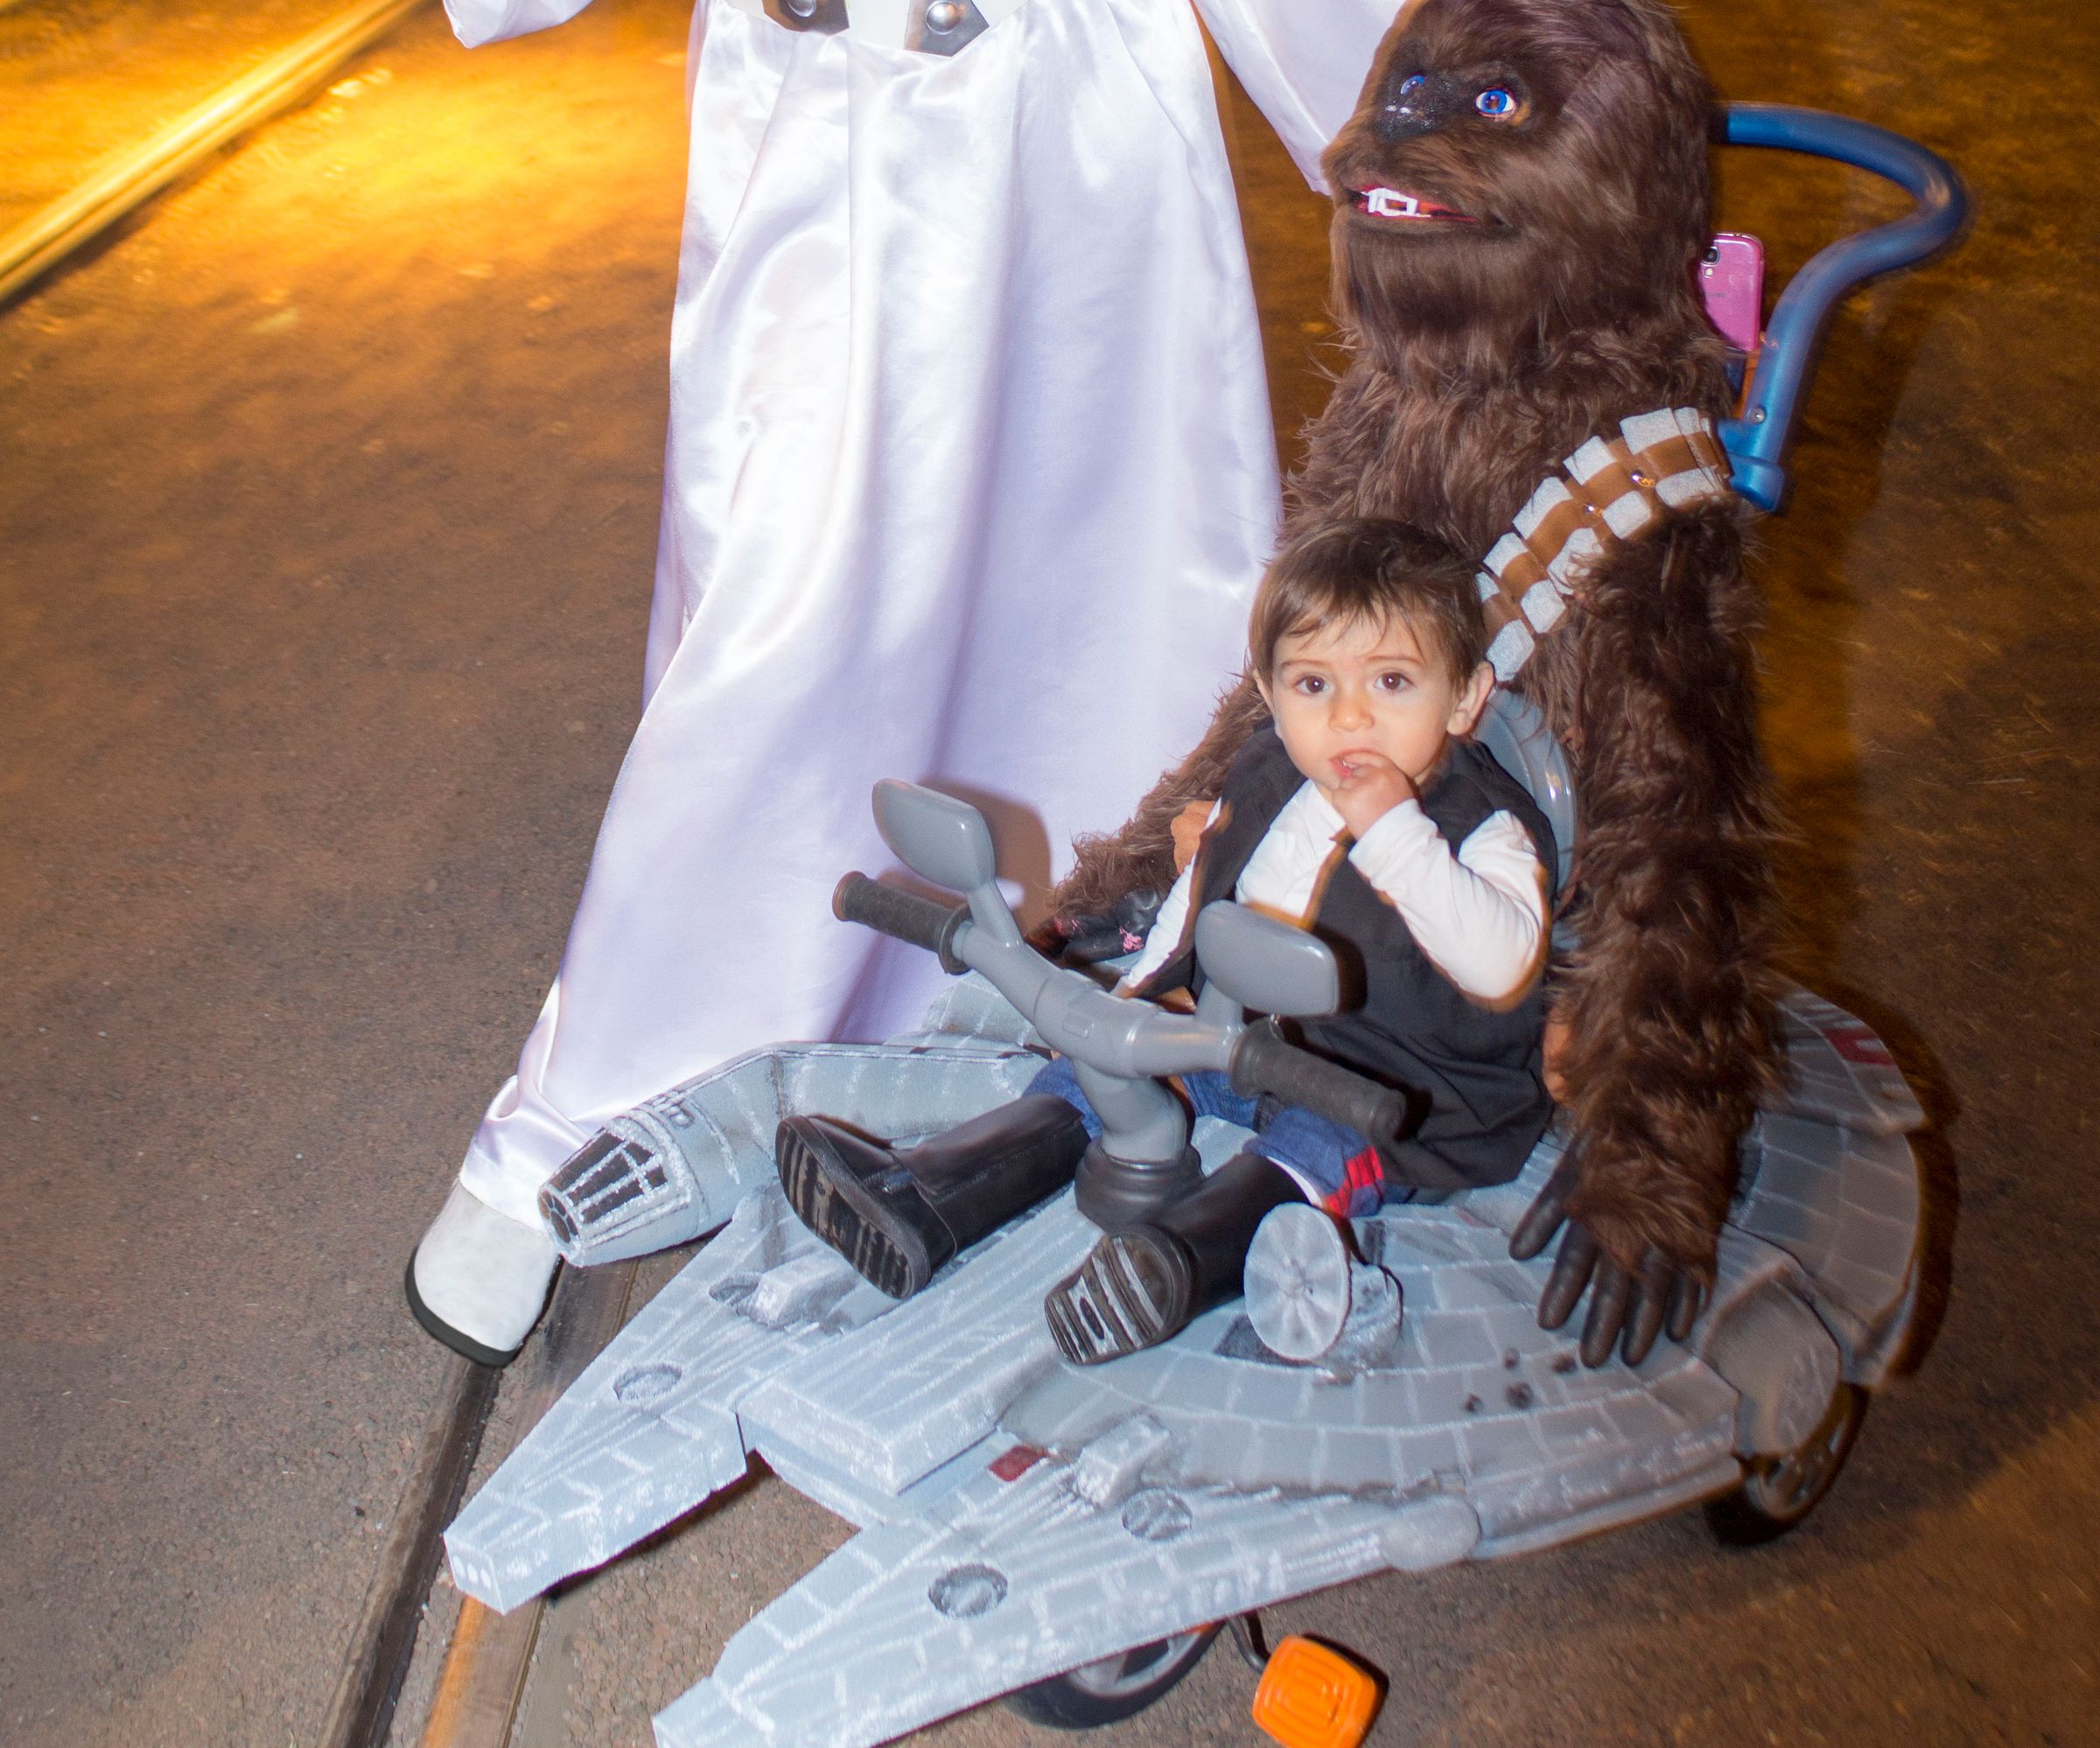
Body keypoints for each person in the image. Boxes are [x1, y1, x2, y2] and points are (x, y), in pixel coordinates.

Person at [404, 0, 1408, 1364]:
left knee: (1116, 582)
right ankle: (608, 1091)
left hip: (1085, 118)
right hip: (831, 117)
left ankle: (1090, 995)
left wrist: (1431, 104)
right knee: (788, 611)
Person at [776, 517, 1557, 1363]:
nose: (1349, 719)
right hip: (1243, 1040)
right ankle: (937, 1190)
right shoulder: (1265, 773)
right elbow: (1201, 893)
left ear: (1466, 697)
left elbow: (1501, 965)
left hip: (1406, 1091)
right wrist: (1134, 1011)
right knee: (1099, 1076)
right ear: (1268, 690)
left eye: (1393, 682)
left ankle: (1173, 1265)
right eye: (1312, 685)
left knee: (1315, 1153)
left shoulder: (1487, 828)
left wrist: (1395, 831)